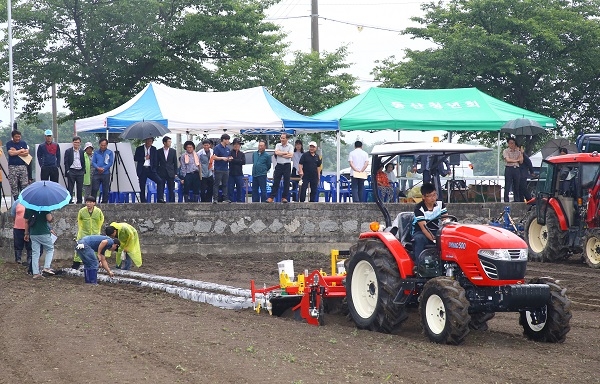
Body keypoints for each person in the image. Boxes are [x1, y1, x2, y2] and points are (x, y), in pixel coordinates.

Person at [412, 182, 448, 259]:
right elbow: (424, 228)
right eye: (430, 196)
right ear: (423, 197)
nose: (433, 198)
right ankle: (419, 265)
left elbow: (445, 220)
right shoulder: (419, 208)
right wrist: (435, 240)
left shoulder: (440, 204)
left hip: (435, 230)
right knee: (419, 239)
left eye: (434, 195)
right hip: (421, 232)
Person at [71, 196, 105, 270]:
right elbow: (79, 220)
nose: (88, 204)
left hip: (95, 233)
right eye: (87, 202)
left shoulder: (98, 211)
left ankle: (95, 263)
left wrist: (97, 228)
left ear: (94, 203)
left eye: (90, 202)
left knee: (95, 249)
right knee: (79, 247)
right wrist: (82, 228)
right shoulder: (82, 211)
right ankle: (76, 264)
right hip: (84, 233)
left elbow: (101, 219)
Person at [23, 208, 55, 279]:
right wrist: (52, 217)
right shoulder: (45, 206)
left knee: (35, 253)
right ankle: (46, 267)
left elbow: (26, 221)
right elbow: (49, 219)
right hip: (44, 232)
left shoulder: (28, 207)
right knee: (50, 249)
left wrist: (26, 233)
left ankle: (36, 273)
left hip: (33, 233)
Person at [134, 137, 164, 203]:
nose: (149, 142)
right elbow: (135, 158)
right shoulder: (139, 149)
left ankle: (160, 198)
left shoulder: (154, 149)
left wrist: (155, 169)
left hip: (151, 169)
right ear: (145, 141)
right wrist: (144, 158)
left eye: (150, 141)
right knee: (142, 185)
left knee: (160, 181)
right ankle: (143, 200)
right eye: (148, 141)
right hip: (142, 169)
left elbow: (155, 160)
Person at [268, 133, 293, 203]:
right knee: (276, 181)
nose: (282, 139)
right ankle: (271, 197)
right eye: (281, 138)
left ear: (287, 139)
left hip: (287, 165)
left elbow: (290, 155)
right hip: (279, 165)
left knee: (287, 182)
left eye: (283, 138)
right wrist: (285, 153)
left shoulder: (290, 146)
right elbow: (276, 153)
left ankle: (284, 197)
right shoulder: (278, 145)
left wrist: (281, 154)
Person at [6, 130, 30, 200]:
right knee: (14, 185)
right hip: (12, 167)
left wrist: (15, 151)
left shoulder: (23, 143)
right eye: (16, 137)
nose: (18, 138)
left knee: (24, 184)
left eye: (19, 137)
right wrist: (20, 150)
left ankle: (24, 200)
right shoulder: (9, 143)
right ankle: (16, 200)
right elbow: (11, 153)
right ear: (13, 137)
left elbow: (26, 153)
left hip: (22, 166)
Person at [91, 138, 114, 204]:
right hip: (97, 172)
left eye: (104, 145)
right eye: (102, 145)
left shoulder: (109, 152)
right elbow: (93, 162)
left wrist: (104, 168)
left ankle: (104, 202)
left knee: (105, 189)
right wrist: (98, 168)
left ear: (107, 145)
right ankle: (93, 202)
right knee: (95, 188)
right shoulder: (96, 152)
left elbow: (110, 162)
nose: (103, 147)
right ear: (99, 145)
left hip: (105, 173)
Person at [10, 200, 32, 268]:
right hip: (18, 227)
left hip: (30, 228)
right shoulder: (17, 202)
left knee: (30, 245)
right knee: (18, 244)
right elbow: (13, 214)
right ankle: (18, 260)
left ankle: (29, 260)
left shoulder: (32, 203)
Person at [64, 136, 86, 204]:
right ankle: (69, 201)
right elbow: (66, 162)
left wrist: (83, 170)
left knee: (80, 188)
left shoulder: (82, 151)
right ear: (72, 143)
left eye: (78, 142)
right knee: (70, 187)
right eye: (75, 142)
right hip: (72, 170)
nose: (76, 144)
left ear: (80, 143)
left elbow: (83, 161)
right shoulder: (68, 151)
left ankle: (79, 201)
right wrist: (68, 171)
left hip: (80, 171)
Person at [157, 136, 178, 203]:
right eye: (168, 141)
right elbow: (157, 162)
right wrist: (157, 171)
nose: (170, 143)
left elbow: (175, 162)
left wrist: (175, 173)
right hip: (162, 171)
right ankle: (160, 199)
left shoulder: (173, 151)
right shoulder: (159, 151)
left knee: (171, 188)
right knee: (161, 186)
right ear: (164, 142)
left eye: (170, 141)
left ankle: (172, 201)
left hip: (170, 172)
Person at [212, 134, 232, 203]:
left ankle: (225, 198)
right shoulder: (217, 148)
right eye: (227, 140)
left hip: (226, 169)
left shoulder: (227, 148)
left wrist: (229, 159)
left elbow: (228, 156)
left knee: (225, 184)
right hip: (218, 169)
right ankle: (215, 199)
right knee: (216, 184)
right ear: (224, 140)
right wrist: (222, 158)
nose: (228, 141)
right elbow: (214, 157)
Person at [503, 137, 523, 202]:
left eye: (513, 143)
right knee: (507, 185)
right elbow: (508, 160)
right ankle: (506, 200)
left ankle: (516, 200)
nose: (512, 145)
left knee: (516, 185)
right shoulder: (506, 151)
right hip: (509, 168)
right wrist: (516, 160)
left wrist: (522, 153)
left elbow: (521, 161)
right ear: (508, 144)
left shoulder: (518, 152)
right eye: (510, 143)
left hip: (516, 169)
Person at [228, 138, 246, 202]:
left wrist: (234, 160)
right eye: (235, 144)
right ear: (233, 145)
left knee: (240, 189)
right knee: (230, 189)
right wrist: (238, 161)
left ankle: (240, 202)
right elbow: (230, 160)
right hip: (231, 174)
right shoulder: (230, 153)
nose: (236, 146)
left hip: (239, 174)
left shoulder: (242, 154)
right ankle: (231, 202)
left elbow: (243, 162)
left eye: (238, 144)